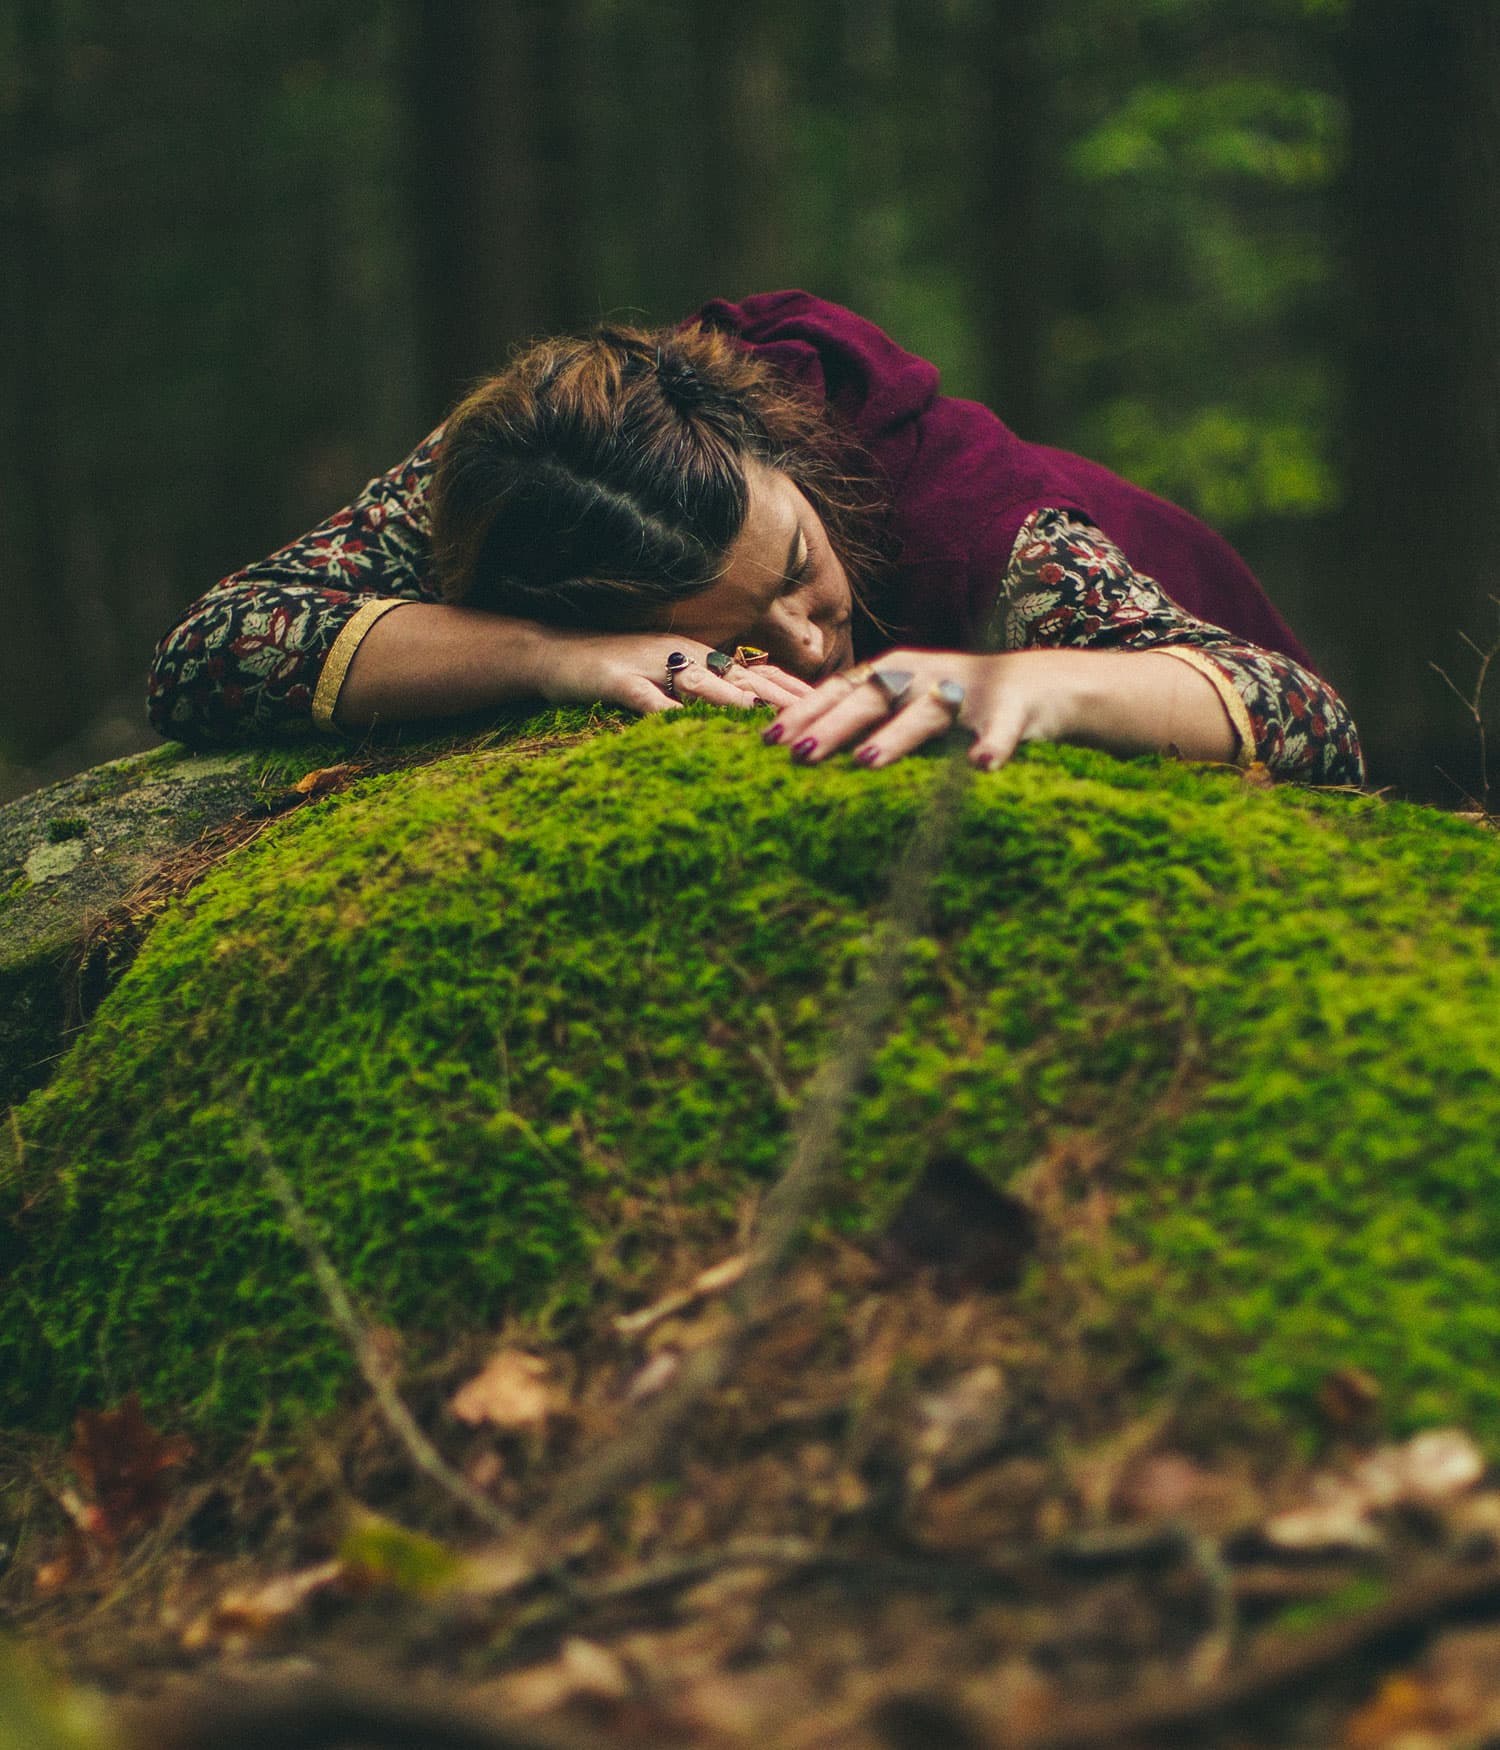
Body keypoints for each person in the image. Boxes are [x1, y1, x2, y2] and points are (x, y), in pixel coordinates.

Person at [147, 290, 1364, 785]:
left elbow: (1306, 716)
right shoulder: (549, 471)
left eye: (795, 572)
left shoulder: (983, 533)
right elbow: (215, 648)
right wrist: (545, 657)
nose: (808, 637)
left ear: (773, 449)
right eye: (731, 635)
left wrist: (1016, 678)